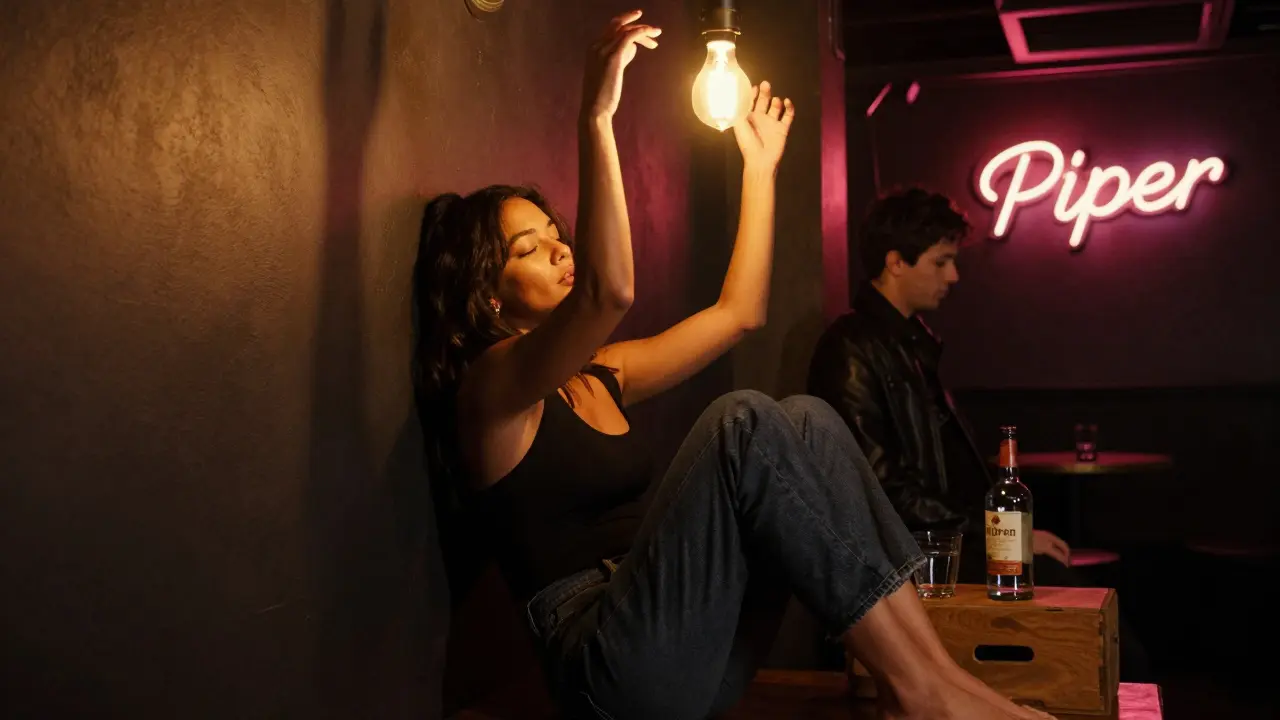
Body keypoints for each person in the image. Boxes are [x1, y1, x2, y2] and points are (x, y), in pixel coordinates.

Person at [415, 12, 1055, 720]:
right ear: (486, 287)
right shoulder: (490, 392)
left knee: (807, 419)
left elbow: (738, 314)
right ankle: (925, 696)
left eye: (556, 236)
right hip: (608, 672)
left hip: (691, 649)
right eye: (529, 248)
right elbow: (610, 291)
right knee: (741, 419)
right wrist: (597, 117)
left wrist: (760, 169)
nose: (561, 250)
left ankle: (934, 680)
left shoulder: (600, 374)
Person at [806, 187, 1149, 679]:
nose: (954, 276)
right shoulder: (852, 348)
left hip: (945, 548)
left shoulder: (910, 345)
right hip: (918, 562)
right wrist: (999, 535)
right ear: (896, 262)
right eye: (942, 261)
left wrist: (1003, 534)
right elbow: (879, 489)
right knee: (1107, 651)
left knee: (1102, 632)